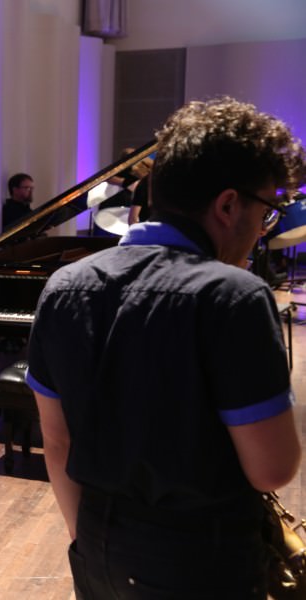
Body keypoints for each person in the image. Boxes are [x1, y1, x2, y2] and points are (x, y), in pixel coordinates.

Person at [26, 97, 305, 598]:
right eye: (266, 212)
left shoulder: (63, 286)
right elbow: (272, 470)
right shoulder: (234, 297)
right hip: (202, 561)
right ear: (228, 205)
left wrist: (86, 541)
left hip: (97, 547)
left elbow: (57, 441)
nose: (262, 230)